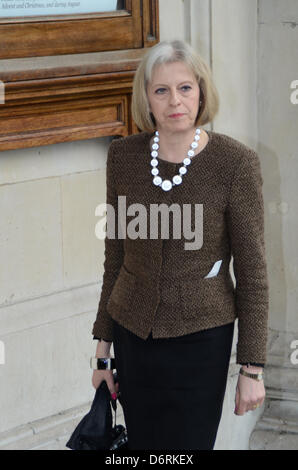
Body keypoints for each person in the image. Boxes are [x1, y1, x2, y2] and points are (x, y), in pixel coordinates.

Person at [91, 40, 269, 450]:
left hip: (201, 340)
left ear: (201, 92)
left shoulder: (235, 163)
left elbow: (254, 272)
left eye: (185, 88)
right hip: (133, 337)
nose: (175, 101)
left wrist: (252, 367)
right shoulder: (123, 156)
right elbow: (115, 257)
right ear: (146, 99)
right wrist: (103, 351)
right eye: (162, 90)